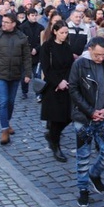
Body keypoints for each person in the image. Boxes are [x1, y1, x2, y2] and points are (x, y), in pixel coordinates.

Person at [69, 37, 104, 207]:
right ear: (90, 49)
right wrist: (90, 112)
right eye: (98, 55)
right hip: (83, 117)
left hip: (102, 116)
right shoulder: (80, 64)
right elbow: (73, 90)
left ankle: (94, 174)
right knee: (83, 155)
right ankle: (83, 190)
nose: (101, 58)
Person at [0, 12, 32, 145]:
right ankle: (4, 129)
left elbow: (27, 57)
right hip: (0, 74)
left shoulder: (21, 37)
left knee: (10, 102)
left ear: (14, 24)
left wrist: (28, 73)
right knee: (3, 101)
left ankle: (7, 122)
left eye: (6, 22)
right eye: (2, 22)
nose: (3, 24)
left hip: (15, 74)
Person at [40, 20, 75, 162]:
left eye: (66, 33)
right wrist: (57, 82)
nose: (64, 35)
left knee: (68, 116)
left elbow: (70, 66)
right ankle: (56, 145)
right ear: (55, 32)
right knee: (56, 118)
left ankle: (52, 136)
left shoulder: (67, 47)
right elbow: (46, 68)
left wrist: (65, 81)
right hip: (52, 87)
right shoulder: (47, 47)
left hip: (66, 85)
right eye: (62, 33)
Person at [19, 9, 44, 99]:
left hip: (37, 55)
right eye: (32, 15)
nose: (34, 17)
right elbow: (21, 41)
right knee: (25, 76)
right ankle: (24, 91)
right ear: (28, 16)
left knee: (37, 75)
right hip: (26, 55)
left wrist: (36, 49)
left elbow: (42, 41)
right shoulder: (22, 27)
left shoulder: (40, 27)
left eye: (35, 15)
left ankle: (39, 93)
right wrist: (29, 49)